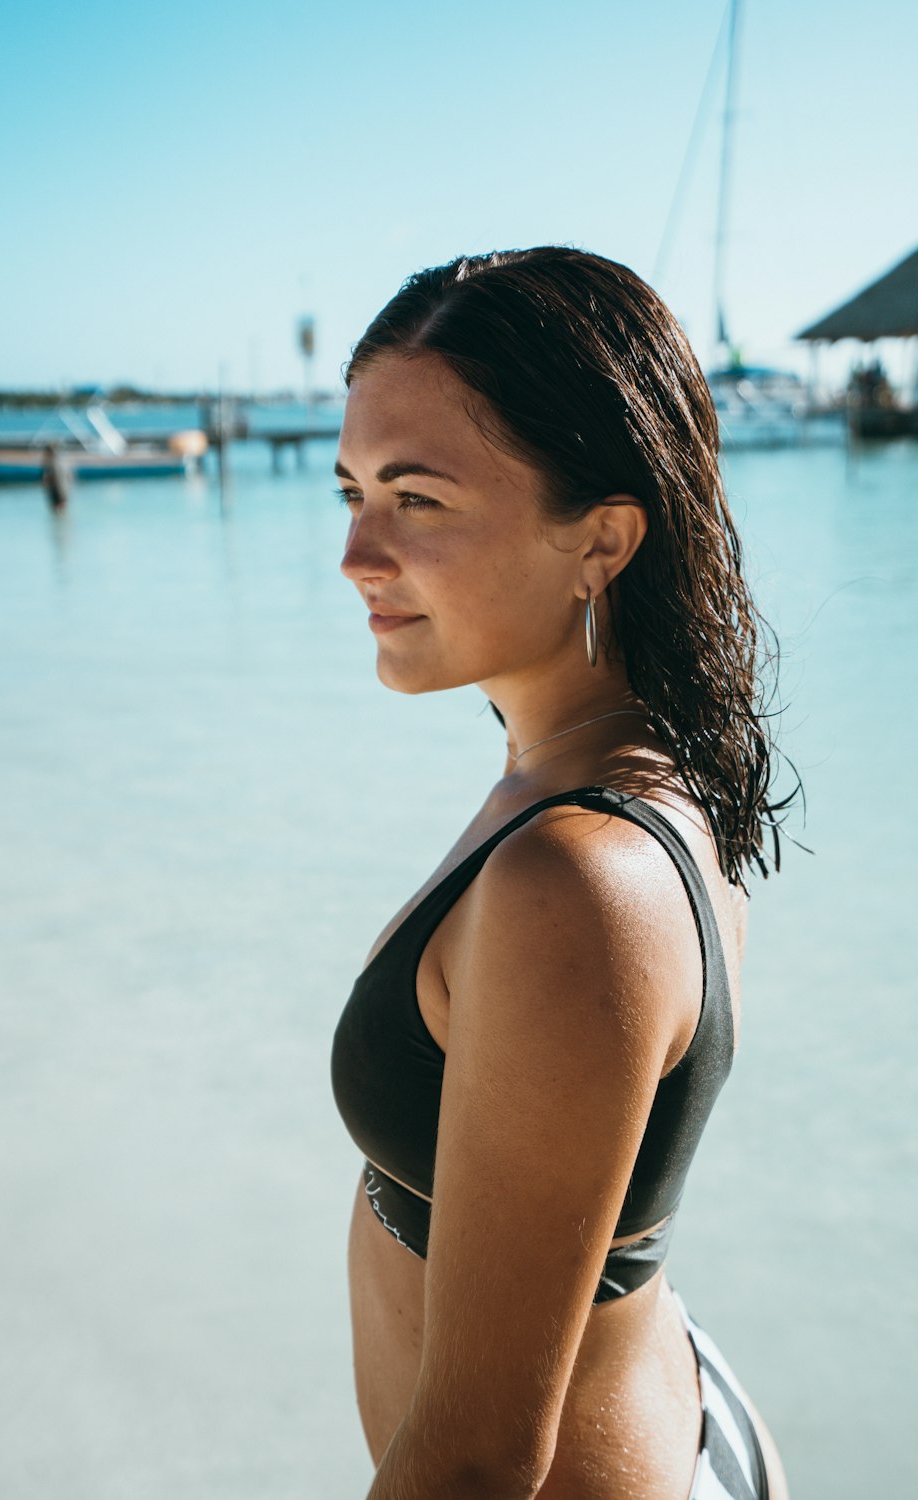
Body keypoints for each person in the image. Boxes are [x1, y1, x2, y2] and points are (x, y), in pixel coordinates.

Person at [330, 248, 792, 1500]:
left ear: (600, 538)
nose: (358, 554)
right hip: (672, 1415)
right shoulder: (617, 777)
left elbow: (480, 1459)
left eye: (417, 500)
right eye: (351, 491)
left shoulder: (578, 879)